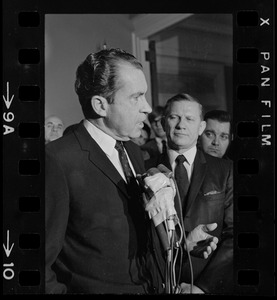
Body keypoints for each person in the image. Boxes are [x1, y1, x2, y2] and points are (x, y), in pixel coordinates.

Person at [45, 49, 219, 295]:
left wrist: (183, 244)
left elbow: (135, 236)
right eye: (137, 97)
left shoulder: (134, 152)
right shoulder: (56, 160)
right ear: (100, 105)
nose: (147, 108)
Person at [151, 93, 233, 294]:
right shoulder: (145, 169)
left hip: (208, 286)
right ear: (163, 122)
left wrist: (201, 287)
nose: (181, 125)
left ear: (201, 127)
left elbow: (234, 234)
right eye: (174, 117)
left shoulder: (225, 170)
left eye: (189, 119)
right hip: (159, 285)